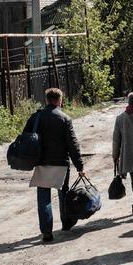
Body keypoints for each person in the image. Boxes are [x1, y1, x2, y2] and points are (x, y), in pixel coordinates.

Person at [26, 88, 84, 242]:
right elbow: (72, 144)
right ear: (59, 100)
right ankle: (65, 224)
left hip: (42, 163)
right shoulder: (65, 118)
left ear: (47, 100)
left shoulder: (36, 117)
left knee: (43, 197)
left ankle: (46, 231)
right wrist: (79, 165)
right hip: (61, 163)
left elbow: (27, 137)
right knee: (63, 194)